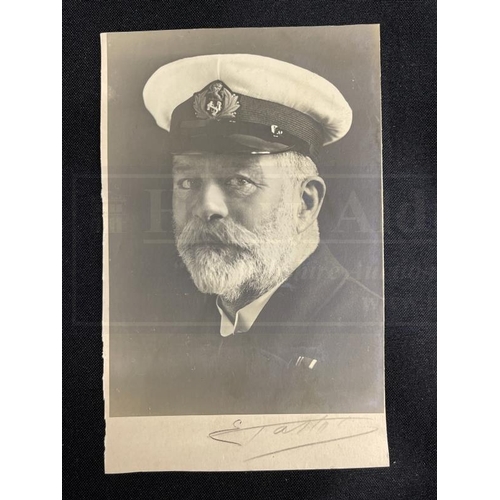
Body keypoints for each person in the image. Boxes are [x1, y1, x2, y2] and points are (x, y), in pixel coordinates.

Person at [112, 54, 384, 416]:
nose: (205, 207)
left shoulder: (367, 341)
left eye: (239, 181)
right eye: (188, 181)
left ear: (304, 202)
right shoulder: (173, 347)